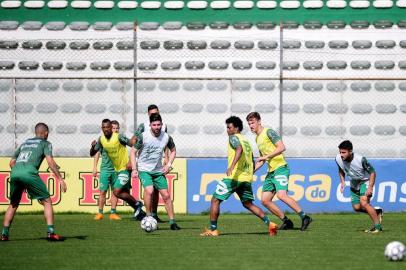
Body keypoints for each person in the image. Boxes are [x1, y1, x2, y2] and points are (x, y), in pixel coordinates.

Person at [200, 116, 278, 237]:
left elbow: (239, 149)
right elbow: (251, 159)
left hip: (234, 178)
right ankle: (270, 224)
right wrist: (249, 173)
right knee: (248, 204)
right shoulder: (246, 141)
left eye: (229, 127)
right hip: (246, 179)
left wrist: (231, 166)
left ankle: (213, 229)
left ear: (236, 128)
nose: (227, 130)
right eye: (227, 127)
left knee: (215, 200)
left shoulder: (234, 138)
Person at [246, 112, 312, 231]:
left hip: (281, 168)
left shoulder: (268, 132)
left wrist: (266, 157)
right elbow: (262, 159)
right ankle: (287, 221)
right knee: (265, 200)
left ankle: (305, 217)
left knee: (281, 195)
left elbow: (281, 147)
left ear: (259, 121)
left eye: (253, 122)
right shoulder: (257, 138)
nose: (251, 125)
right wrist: (252, 171)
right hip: (271, 171)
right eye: (249, 123)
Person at [1, 122, 67, 241]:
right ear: (46, 133)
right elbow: (50, 163)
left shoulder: (25, 143)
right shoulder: (46, 143)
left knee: (13, 204)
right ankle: (50, 232)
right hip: (29, 173)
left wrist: (21, 174)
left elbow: (11, 162)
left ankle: (4, 234)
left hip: (15, 172)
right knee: (47, 200)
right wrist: (60, 179)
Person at [130, 113, 180, 230]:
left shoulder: (166, 137)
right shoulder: (143, 136)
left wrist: (168, 165)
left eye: (158, 125)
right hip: (144, 169)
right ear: (150, 125)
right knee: (150, 190)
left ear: (161, 125)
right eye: (154, 125)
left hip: (158, 171)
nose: (157, 127)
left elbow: (173, 150)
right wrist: (134, 169)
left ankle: (172, 222)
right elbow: (133, 152)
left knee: (166, 195)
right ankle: (148, 216)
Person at [90, 119, 145, 220]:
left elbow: (132, 143)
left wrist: (138, 138)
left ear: (111, 128)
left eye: (108, 127)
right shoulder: (101, 139)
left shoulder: (119, 137)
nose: (106, 129)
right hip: (117, 170)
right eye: (104, 127)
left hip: (125, 168)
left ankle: (137, 205)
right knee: (122, 192)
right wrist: (92, 147)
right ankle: (138, 209)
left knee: (117, 191)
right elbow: (93, 153)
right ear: (102, 128)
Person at [336, 140, 383, 233]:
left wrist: (370, 187)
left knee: (364, 203)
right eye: (340, 152)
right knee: (357, 208)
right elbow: (341, 169)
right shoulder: (338, 158)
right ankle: (376, 212)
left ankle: (378, 227)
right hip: (354, 183)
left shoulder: (360, 159)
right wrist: (342, 182)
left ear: (350, 151)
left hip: (365, 182)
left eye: (344, 152)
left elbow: (373, 172)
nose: (341, 154)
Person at [134, 104, 168, 223]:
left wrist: (167, 159)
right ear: (148, 114)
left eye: (156, 112)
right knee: (149, 190)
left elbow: (165, 143)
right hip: (145, 163)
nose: (154, 114)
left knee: (157, 190)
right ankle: (147, 214)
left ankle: (154, 214)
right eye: (152, 113)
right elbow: (135, 141)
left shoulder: (163, 126)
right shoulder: (143, 126)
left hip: (157, 164)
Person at [91, 120, 121, 220]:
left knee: (115, 192)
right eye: (114, 128)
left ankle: (113, 213)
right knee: (102, 191)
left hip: (116, 170)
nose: (115, 130)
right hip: (105, 170)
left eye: (117, 128)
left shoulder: (120, 140)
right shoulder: (103, 139)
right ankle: (100, 213)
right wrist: (94, 167)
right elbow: (97, 153)